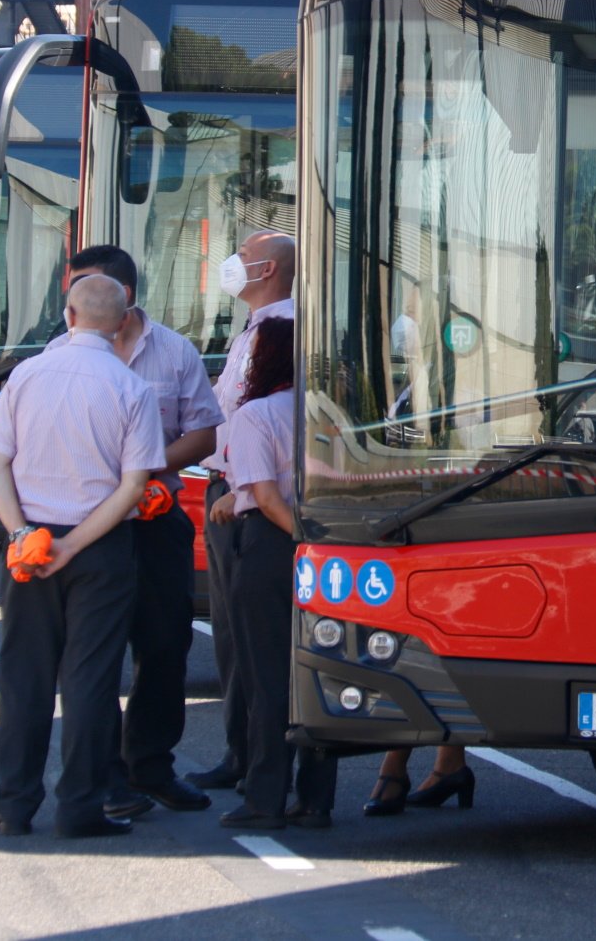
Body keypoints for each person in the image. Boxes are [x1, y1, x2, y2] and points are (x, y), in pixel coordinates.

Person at [0, 275, 166, 839]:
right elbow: (135, 486)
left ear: (68, 316)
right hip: (100, 546)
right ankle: (80, 806)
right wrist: (75, 544)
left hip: (29, 544)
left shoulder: (26, 375)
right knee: (90, 679)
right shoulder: (132, 389)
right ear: (123, 321)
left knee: (24, 677)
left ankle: (13, 806)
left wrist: (20, 534)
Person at [60, 246, 223, 819]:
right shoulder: (61, 355)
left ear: (124, 294)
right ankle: (105, 775)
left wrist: (145, 469)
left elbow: (205, 435)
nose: (75, 300)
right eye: (73, 287)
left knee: (165, 645)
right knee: (92, 654)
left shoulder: (174, 351)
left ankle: (151, 764)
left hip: (156, 518)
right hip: (90, 525)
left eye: (86, 286)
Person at [210, 316, 336, 828]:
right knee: (322, 672)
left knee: (266, 679)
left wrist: (295, 535)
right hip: (329, 550)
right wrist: (320, 546)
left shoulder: (255, 415)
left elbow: (263, 495)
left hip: (269, 548)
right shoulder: (327, 415)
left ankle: (265, 796)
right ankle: (316, 798)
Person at [185, 229, 297, 794]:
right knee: (230, 633)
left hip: (248, 495)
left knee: (251, 637)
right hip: (232, 487)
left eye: (246, 256)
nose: (233, 264)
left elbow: (253, 417)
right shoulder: (253, 329)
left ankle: (256, 759)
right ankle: (241, 751)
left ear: (270, 270)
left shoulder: (281, 329)